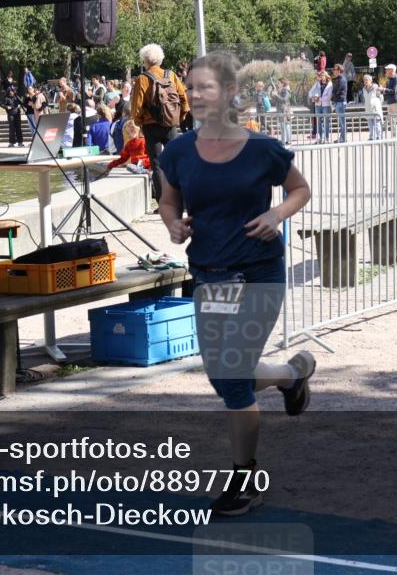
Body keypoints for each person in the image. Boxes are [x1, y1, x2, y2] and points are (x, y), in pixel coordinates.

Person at [157, 51, 314, 516]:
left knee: (233, 377)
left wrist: (276, 213)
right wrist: (173, 226)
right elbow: (168, 201)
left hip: (257, 274)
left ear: (228, 93)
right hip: (210, 275)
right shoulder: (179, 151)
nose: (196, 95)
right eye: (191, 87)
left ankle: (244, 478)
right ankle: (291, 375)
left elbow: (300, 189)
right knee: (223, 377)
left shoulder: (262, 149)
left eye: (205, 87)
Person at [131, 43, 189, 207]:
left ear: (145, 61)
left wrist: (140, 122)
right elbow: (184, 100)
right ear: (160, 58)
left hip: (151, 127)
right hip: (171, 125)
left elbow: (136, 108)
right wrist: (178, 117)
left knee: (157, 164)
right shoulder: (171, 76)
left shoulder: (143, 79)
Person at [309, 70, 333, 143]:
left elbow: (329, 97)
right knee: (318, 122)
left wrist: (319, 99)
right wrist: (312, 97)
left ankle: (326, 138)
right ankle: (320, 138)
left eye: (323, 75)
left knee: (326, 122)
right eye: (320, 76)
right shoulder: (317, 83)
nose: (321, 77)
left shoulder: (330, 84)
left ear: (326, 76)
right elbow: (310, 92)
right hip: (318, 105)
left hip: (326, 105)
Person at [359, 74, 384, 140]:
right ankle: (372, 137)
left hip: (375, 110)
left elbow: (381, 98)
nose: (365, 81)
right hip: (368, 109)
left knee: (377, 125)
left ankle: (379, 137)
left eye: (367, 80)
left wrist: (376, 105)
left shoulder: (375, 88)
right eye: (364, 80)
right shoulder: (364, 89)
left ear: (371, 81)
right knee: (370, 125)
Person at [382, 64, 397, 135]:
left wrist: (384, 89)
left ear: (392, 70)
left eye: (387, 69)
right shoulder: (389, 80)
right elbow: (388, 91)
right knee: (392, 120)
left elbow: (394, 91)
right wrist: (382, 90)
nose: (386, 71)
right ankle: (394, 136)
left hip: (396, 102)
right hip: (390, 102)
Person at [273, 77, 293, 144]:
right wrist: (274, 95)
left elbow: (284, 100)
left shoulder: (285, 90)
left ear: (282, 83)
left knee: (286, 125)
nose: (277, 84)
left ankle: (287, 140)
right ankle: (284, 140)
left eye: (279, 83)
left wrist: (276, 95)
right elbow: (277, 100)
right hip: (281, 110)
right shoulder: (280, 90)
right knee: (282, 126)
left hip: (285, 110)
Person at [332, 64, 348, 142]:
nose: (333, 71)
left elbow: (337, 91)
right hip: (338, 102)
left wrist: (331, 96)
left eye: (335, 69)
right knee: (341, 121)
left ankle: (343, 138)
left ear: (339, 70)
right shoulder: (338, 79)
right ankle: (342, 137)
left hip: (340, 102)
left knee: (342, 122)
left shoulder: (342, 79)